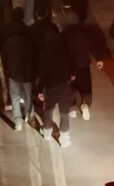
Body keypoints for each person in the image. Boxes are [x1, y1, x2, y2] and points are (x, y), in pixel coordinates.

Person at [34, 15, 75, 147]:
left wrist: (40, 90)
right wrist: (72, 75)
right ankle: (64, 138)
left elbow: (43, 74)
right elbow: (73, 66)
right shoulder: (66, 51)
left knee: (48, 110)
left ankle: (46, 132)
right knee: (64, 113)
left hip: (51, 87)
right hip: (65, 86)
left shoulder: (45, 55)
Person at [62, 13, 105, 121]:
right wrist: (99, 58)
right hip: (84, 64)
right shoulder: (85, 34)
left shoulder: (64, 35)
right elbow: (93, 47)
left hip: (70, 66)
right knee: (85, 86)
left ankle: (72, 107)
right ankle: (85, 103)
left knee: (71, 87)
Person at [0, 7, 33, 130]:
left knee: (15, 96)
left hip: (13, 70)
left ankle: (17, 122)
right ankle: (28, 114)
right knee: (28, 94)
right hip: (27, 72)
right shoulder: (28, 31)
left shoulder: (6, 31)